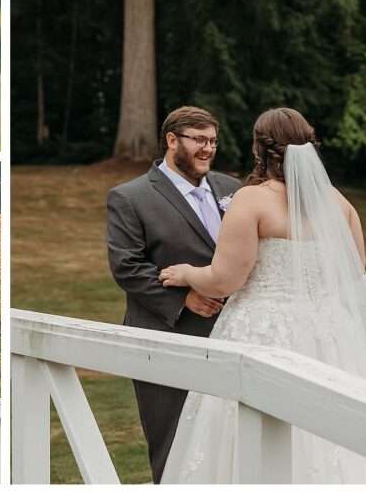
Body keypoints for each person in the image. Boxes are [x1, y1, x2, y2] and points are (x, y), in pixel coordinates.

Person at [158, 108, 366, 483]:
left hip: (264, 332)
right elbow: (354, 270)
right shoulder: (339, 204)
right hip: (331, 334)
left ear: (260, 148)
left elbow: (224, 280)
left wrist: (186, 274)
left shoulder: (251, 201)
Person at [106, 106, 242, 483]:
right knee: (172, 441)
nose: (208, 149)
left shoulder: (233, 190)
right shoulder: (130, 197)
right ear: (171, 140)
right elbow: (127, 267)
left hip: (234, 336)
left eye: (213, 141)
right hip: (166, 336)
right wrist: (183, 300)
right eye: (199, 140)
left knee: (228, 441)